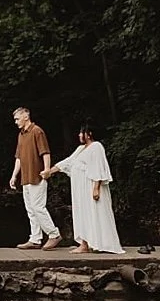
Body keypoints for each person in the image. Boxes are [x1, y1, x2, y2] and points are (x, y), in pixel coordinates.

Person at [43, 123, 124, 254]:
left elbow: (98, 167)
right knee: (83, 214)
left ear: (89, 134)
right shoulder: (81, 149)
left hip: (90, 186)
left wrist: (96, 187)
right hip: (80, 189)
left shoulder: (96, 147)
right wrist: (50, 171)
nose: (79, 135)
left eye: (82, 133)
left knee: (93, 213)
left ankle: (98, 243)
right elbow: (67, 162)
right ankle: (85, 243)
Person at [8, 107, 62, 250]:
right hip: (25, 177)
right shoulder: (21, 135)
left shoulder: (37, 131)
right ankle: (35, 238)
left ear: (26, 117)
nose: (16, 122)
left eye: (17, 119)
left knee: (38, 207)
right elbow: (18, 158)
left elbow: (45, 153)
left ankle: (53, 234)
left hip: (37, 176)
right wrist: (14, 175)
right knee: (30, 209)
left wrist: (47, 170)